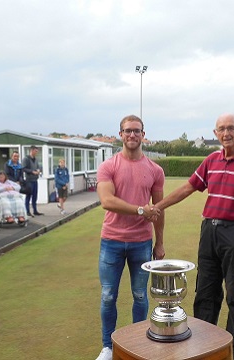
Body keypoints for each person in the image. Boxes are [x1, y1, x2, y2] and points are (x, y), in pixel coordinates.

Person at [154, 113, 234, 360]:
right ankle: (203, 345)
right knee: (206, 292)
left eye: (231, 128)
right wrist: (159, 206)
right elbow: (188, 187)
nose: (226, 133)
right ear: (215, 133)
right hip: (209, 231)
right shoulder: (212, 160)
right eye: (221, 129)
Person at [95, 115, 165, 360]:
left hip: (141, 242)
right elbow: (107, 201)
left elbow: (158, 208)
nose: (132, 135)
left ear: (143, 134)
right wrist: (138, 210)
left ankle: (136, 344)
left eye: (137, 131)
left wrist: (160, 242)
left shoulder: (155, 169)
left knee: (139, 295)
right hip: (111, 240)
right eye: (127, 131)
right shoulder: (108, 166)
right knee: (108, 295)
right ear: (120, 134)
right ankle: (108, 346)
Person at [22, 146, 43, 217]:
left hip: (35, 180)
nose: (36, 152)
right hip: (29, 180)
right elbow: (24, 169)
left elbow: (39, 166)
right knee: (28, 196)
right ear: (31, 150)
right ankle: (27, 211)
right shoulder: (26, 159)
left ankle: (35, 210)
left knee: (35, 196)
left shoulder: (36, 159)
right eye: (36, 151)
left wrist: (39, 170)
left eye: (37, 151)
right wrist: (32, 171)